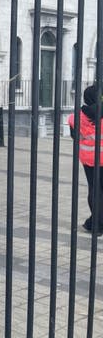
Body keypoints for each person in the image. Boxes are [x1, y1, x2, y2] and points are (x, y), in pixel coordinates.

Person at [67, 84, 103, 236]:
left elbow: (74, 136)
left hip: (88, 159)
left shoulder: (75, 117)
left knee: (95, 190)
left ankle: (95, 223)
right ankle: (96, 222)